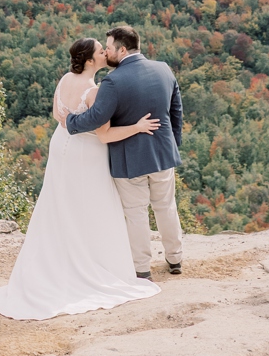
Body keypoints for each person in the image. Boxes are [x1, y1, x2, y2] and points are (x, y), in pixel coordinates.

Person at [0, 37, 162, 320]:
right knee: (92, 209)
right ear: (90, 60)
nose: (106, 52)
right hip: (86, 155)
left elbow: (57, 114)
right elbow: (104, 135)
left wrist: (71, 125)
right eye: (101, 51)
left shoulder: (66, 79)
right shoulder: (94, 92)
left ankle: (56, 263)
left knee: (60, 205)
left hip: (60, 147)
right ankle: (90, 265)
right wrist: (137, 127)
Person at [65, 25, 184, 279]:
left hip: (130, 160)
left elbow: (97, 117)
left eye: (108, 48)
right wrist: (173, 143)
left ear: (122, 49)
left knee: (136, 213)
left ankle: (142, 269)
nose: (106, 53)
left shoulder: (113, 81)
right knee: (166, 207)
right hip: (163, 153)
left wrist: (70, 123)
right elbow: (176, 110)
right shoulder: (163, 68)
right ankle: (175, 259)